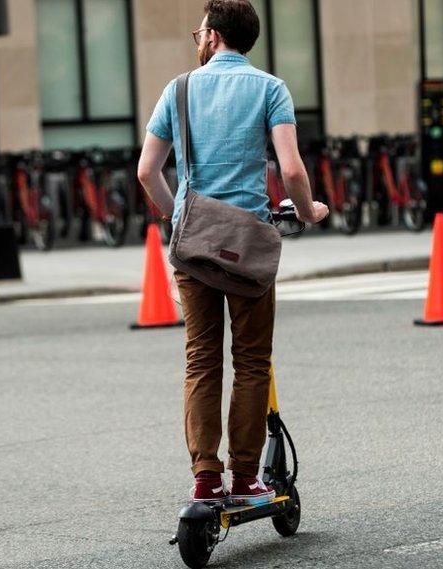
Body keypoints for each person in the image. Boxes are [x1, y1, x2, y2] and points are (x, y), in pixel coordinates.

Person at [136, 0, 328, 506]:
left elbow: (147, 170)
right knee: (251, 362)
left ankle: (205, 476)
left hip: (193, 244)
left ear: (214, 35)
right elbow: (290, 171)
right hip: (247, 247)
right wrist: (309, 212)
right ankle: (245, 477)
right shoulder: (270, 89)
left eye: (198, 31)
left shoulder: (177, 89)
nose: (196, 39)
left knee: (201, 361)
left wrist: (174, 214)